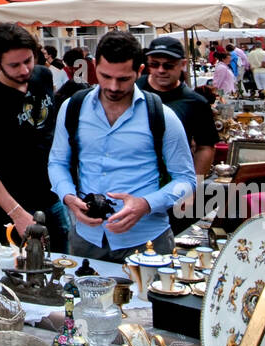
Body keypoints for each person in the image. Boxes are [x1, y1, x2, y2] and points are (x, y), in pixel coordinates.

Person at [49, 30, 195, 262]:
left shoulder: (162, 116)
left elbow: (186, 181)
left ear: (139, 71)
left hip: (147, 241)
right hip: (87, 238)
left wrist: (146, 205)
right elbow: (57, 162)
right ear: (95, 66)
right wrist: (68, 197)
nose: (113, 87)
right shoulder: (72, 108)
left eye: (124, 79)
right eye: (105, 76)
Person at [0, 23, 62, 248]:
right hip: (8, 210)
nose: (24, 70)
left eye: (28, 60)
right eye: (14, 65)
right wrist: (16, 213)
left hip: (50, 198)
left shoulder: (43, 76)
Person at [138, 37, 219, 175]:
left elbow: (205, 147)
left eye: (168, 65)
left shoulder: (196, 103)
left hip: (173, 178)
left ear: (182, 64)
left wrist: (193, 188)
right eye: (155, 64)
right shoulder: (134, 90)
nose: (161, 70)